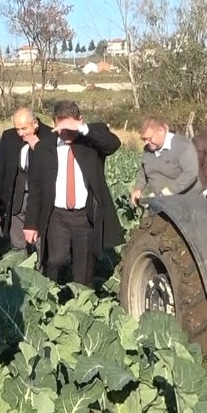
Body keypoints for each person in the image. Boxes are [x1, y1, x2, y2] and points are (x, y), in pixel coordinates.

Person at [22, 101, 122, 288]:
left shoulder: (91, 142)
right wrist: (31, 224)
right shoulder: (45, 147)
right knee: (55, 260)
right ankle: (53, 297)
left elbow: (113, 144)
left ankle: (81, 303)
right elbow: (36, 188)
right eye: (61, 129)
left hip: (84, 216)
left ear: (79, 121)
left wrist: (81, 128)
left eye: (69, 128)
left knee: (84, 269)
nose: (65, 134)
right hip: (57, 216)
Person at [0, 107, 40, 253]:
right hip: (16, 198)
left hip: (36, 199)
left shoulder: (48, 137)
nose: (20, 133)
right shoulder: (9, 137)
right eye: (17, 128)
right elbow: (2, 169)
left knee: (39, 242)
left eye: (24, 128)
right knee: (17, 244)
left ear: (35, 123)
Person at [132, 116, 201, 203]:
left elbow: (190, 174)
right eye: (144, 139)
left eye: (149, 138)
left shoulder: (183, 146)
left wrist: (167, 192)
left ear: (161, 131)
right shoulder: (148, 149)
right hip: (160, 203)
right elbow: (143, 171)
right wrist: (138, 188)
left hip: (186, 202)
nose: (146, 143)